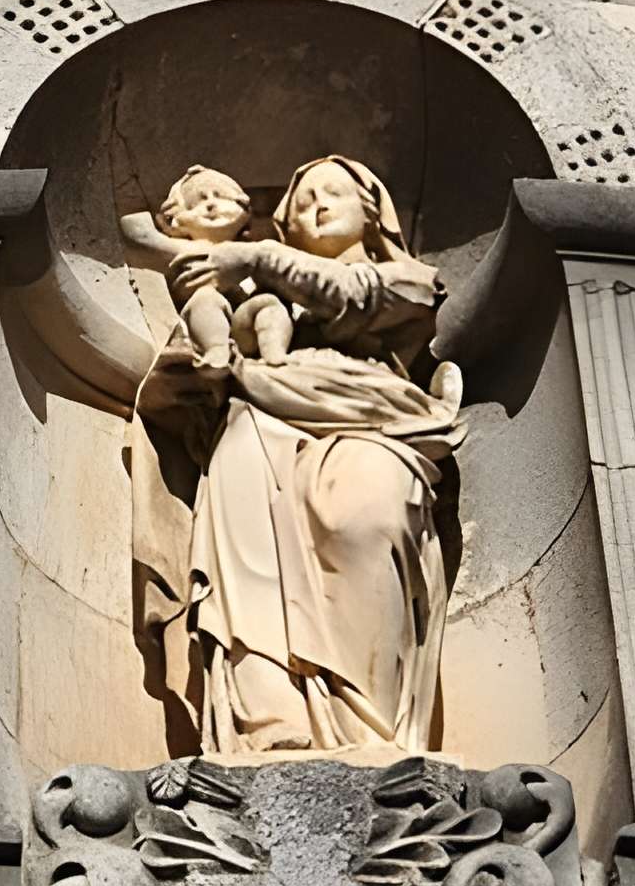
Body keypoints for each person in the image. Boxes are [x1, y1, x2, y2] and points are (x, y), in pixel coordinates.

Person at [128, 155, 463, 756]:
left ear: (372, 211)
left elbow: (359, 297)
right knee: (239, 475)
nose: (317, 206)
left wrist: (256, 258)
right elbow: (192, 363)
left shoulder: (407, 278)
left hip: (373, 419)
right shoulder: (258, 299)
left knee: (370, 514)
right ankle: (269, 714)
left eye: (333, 192)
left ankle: (370, 732)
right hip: (260, 408)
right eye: (302, 201)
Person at [119, 163, 293, 370]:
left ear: (245, 210)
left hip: (243, 323)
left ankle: (276, 357)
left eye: (220, 197)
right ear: (175, 220)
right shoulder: (185, 247)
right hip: (202, 314)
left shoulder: (253, 252)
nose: (211, 205)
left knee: (269, 303)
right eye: (194, 205)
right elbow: (138, 234)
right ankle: (216, 353)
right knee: (207, 299)